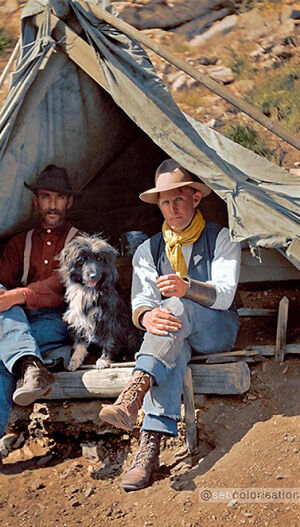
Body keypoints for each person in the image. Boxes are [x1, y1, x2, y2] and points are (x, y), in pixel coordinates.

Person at [99, 159, 241, 491]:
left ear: (196, 198)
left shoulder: (222, 238)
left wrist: (187, 287)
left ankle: (135, 390)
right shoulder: (148, 249)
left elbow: (224, 295)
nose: (172, 208)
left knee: (176, 309)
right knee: (167, 333)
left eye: (179, 198)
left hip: (216, 330)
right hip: (171, 336)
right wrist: (147, 316)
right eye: (165, 201)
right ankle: (149, 448)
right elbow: (141, 301)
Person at [0, 165, 85, 486]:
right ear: (36, 202)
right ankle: (30, 364)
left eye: (58, 198)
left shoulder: (80, 242)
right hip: (21, 326)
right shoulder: (20, 242)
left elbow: (62, 287)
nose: (52, 204)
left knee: (0, 348)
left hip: (60, 323)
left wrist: (19, 295)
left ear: (68, 203)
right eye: (45, 197)